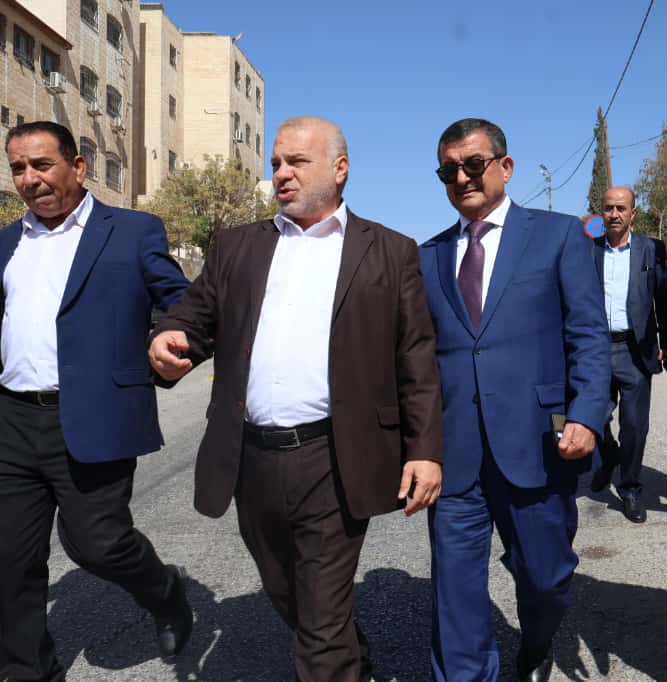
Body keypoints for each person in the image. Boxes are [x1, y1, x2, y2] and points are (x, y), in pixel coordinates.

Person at [148, 116, 443, 682]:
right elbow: (195, 314)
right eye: (277, 163)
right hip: (252, 457)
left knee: (322, 619)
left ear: (339, 168)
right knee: (286, 590)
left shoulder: (389, 250)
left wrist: (425, 450)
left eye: (297, 162)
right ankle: (349, 655)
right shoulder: (238, 245)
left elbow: (416, 357)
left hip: (335, 456)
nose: (281, 173)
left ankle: (336, 661)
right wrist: (169, 336)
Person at [0, 121, 193, 681]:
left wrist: (172, 336)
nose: (29, 179)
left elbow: (179, 300)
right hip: (12, 417)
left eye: (42, 165)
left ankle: (164, 591)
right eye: (18, 168)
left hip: (93, 413)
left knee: (98, 545)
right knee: (9, 559)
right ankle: (28, 670)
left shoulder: (132, 231)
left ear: (78, 166)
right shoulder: (7, 242)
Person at [419, 118, 608, 682]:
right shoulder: (427, 257)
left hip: (538, 445)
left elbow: (587, 334)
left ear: (505, 166)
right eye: (448, 171)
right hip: (455, 455)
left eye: (473, 165)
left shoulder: (558, 236)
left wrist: (587, 414)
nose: (462, 178)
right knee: (454, 591)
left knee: (546, 577)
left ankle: (538, 638)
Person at [587, 186, 667, 523]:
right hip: (595, 349)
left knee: (635, 426)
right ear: (601, 211)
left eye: (621, 208)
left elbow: (662, 298)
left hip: (635, 349)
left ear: (633, 213)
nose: (614, 214)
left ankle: (631, 488)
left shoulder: (651, 249)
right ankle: (609, 455)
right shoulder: (588, 250)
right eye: (609, 208)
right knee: (592, 417)